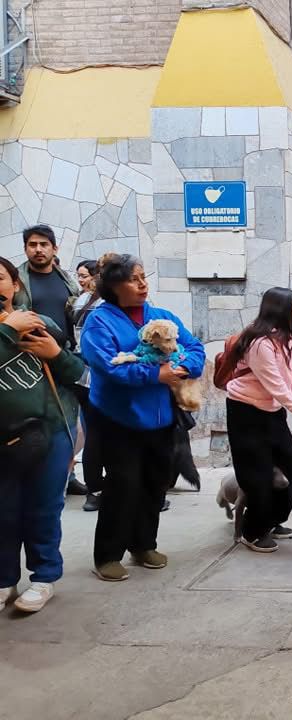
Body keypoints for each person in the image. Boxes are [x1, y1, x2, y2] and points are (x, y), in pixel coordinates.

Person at [80, 254, 205, 581]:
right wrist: (157, 374)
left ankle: (143, 544)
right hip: (118, 419)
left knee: (155, 484)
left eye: (143, 276)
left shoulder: (161, 316)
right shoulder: (99, 322)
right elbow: (108, 366)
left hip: (161, 419)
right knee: (122, 486)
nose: (143, 283)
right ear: (113, 286)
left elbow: (194, 348)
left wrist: (183, 367)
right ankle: (107, 555)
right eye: (134, 279)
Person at [0, 257, 83, 613]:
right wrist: (6, 332)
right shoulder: (11, 329)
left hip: (50, 430)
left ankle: (44, 576)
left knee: (43, 508)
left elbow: (77, 371)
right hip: (3, 440)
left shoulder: (38, 324)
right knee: (4, 512)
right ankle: (4, 580)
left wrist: (55, 354)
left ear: (15, 285)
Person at [224, 288, 292, 552]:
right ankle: (252, 531)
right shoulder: (259, 343)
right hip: (245, 412)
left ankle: (271, 519)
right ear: (282, 311)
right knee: (257, 475)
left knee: (291, 465)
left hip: (272, 412)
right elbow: (279, 388)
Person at [13, 225, 85, 498]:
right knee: (36, 418)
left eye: (44, 244)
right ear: (26, 249)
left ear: (55, 249)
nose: (38, 249)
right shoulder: (17, 280)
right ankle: (35, 477)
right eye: (32, 244)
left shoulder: (65, 279)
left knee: (69, 419)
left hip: (63, 356)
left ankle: (68, 475)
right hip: (29, 358)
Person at [72, 259, 105, 512]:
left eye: (84, 276)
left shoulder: (78, 302)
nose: (81, 280)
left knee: (93, 433)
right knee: (104, 435)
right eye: (80, 276)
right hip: (99, 377)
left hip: (82, 377)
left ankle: (94, 491)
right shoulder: (103, 304)